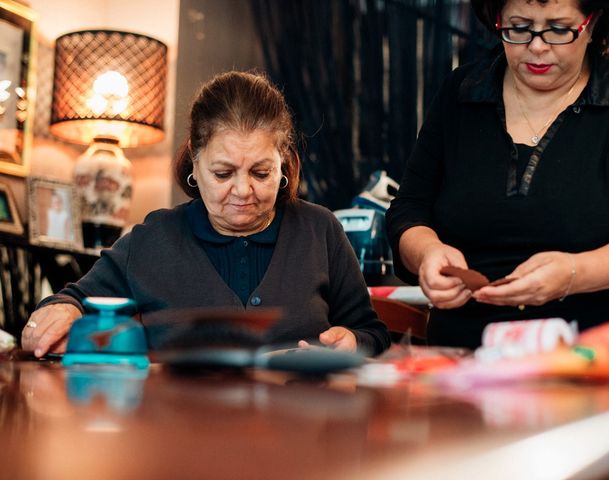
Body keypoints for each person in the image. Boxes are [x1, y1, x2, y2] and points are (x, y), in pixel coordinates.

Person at [22, 71, 390, 358]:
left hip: (297, 433)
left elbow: (373, 334)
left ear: (284, 166)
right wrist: (61, 313)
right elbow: (71, 299)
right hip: (180, 437)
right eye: (223, 173)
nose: (243, 191)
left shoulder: (320, 230)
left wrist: (352, 342)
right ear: (195, 166)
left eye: (261, 173)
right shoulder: (155, 238)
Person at [386, 0, 609, 349]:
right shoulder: (461, 93)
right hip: (462, 358)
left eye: (558, 29)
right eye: (518, 28)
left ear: (592, 23)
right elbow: (408, 210)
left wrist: (574, 274)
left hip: (594, 360)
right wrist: (428, 253)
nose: (537, 46)